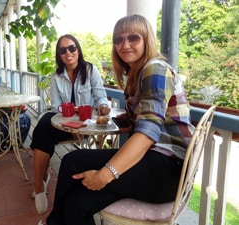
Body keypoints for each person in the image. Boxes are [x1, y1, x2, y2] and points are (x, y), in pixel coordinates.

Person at [46, 14, 195, 225]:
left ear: (147, 39)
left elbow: (148, 132)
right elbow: (152, 120)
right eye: (118, 39)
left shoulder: (155, 68)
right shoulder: (138, 73)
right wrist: (129, 119)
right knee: (75, 204)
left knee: (73, 160)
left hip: (167, 170)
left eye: (133, 37)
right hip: (155, 165)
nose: (124, 44)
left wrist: (106, 174)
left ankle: (53, 222)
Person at [30, 34, 111, 215]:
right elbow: (56, 105)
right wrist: (69, 111)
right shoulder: (56, 76)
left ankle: (42, 178)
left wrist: (103, 106)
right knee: (43, 127)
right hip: (65, 123)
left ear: (78, 50)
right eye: (63, 50)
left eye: (72, 48)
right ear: (59, 54)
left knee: (42, 131)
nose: (68, 52)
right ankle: (38, 187)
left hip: (87, 124)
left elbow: (100, 96)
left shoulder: (90, 70)